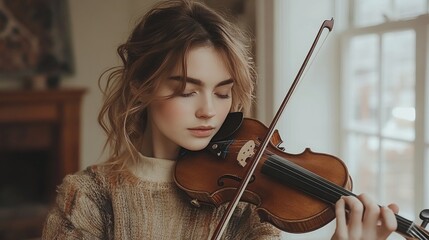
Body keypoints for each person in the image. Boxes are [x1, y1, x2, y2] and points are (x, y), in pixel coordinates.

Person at [42, 0, 399, 239]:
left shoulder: (245, 203)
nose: (209, 111)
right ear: (140, 86)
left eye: (223, 92)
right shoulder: (90, 196)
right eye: (187, 90)